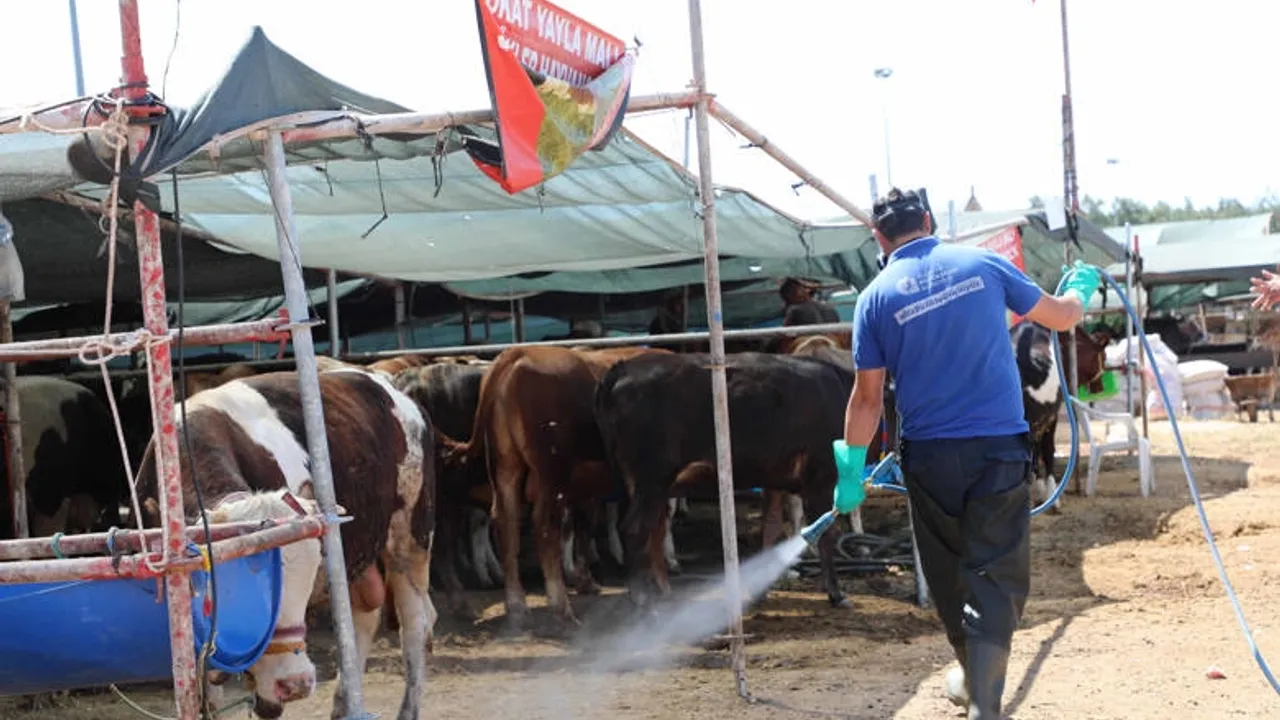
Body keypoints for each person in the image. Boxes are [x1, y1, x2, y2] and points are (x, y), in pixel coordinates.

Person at [830, 187, 1101, 720]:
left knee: (950, 575)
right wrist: (1078, 289)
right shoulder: (984, 265)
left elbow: (866, 399)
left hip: (929, 459)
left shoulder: (875, 298)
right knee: (995, 574)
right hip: (998, 450)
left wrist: (851, 471)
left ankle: (977, 688)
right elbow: (1062, 318)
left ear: (878, 238)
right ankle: (985, 702)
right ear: (929, 220)